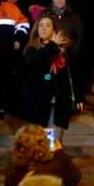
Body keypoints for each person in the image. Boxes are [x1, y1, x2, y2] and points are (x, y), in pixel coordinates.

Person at [22, 16, 77, 147]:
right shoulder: (32, 49)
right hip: (38, 103)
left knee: (54, 144)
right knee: (38, 143)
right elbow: (36, 61)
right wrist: (52, 45)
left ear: (54, 30)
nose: (43, 28)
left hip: (58, 101)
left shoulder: (63, 51)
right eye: (41, 25)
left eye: (48, 25)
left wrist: (75, 98)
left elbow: (70, 76)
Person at [3, 125, 80, 186]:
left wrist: (61, 156)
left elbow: (73, 180)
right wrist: (59, 155)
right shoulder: (17, 164)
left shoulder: (56, 160)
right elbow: (11, 184)